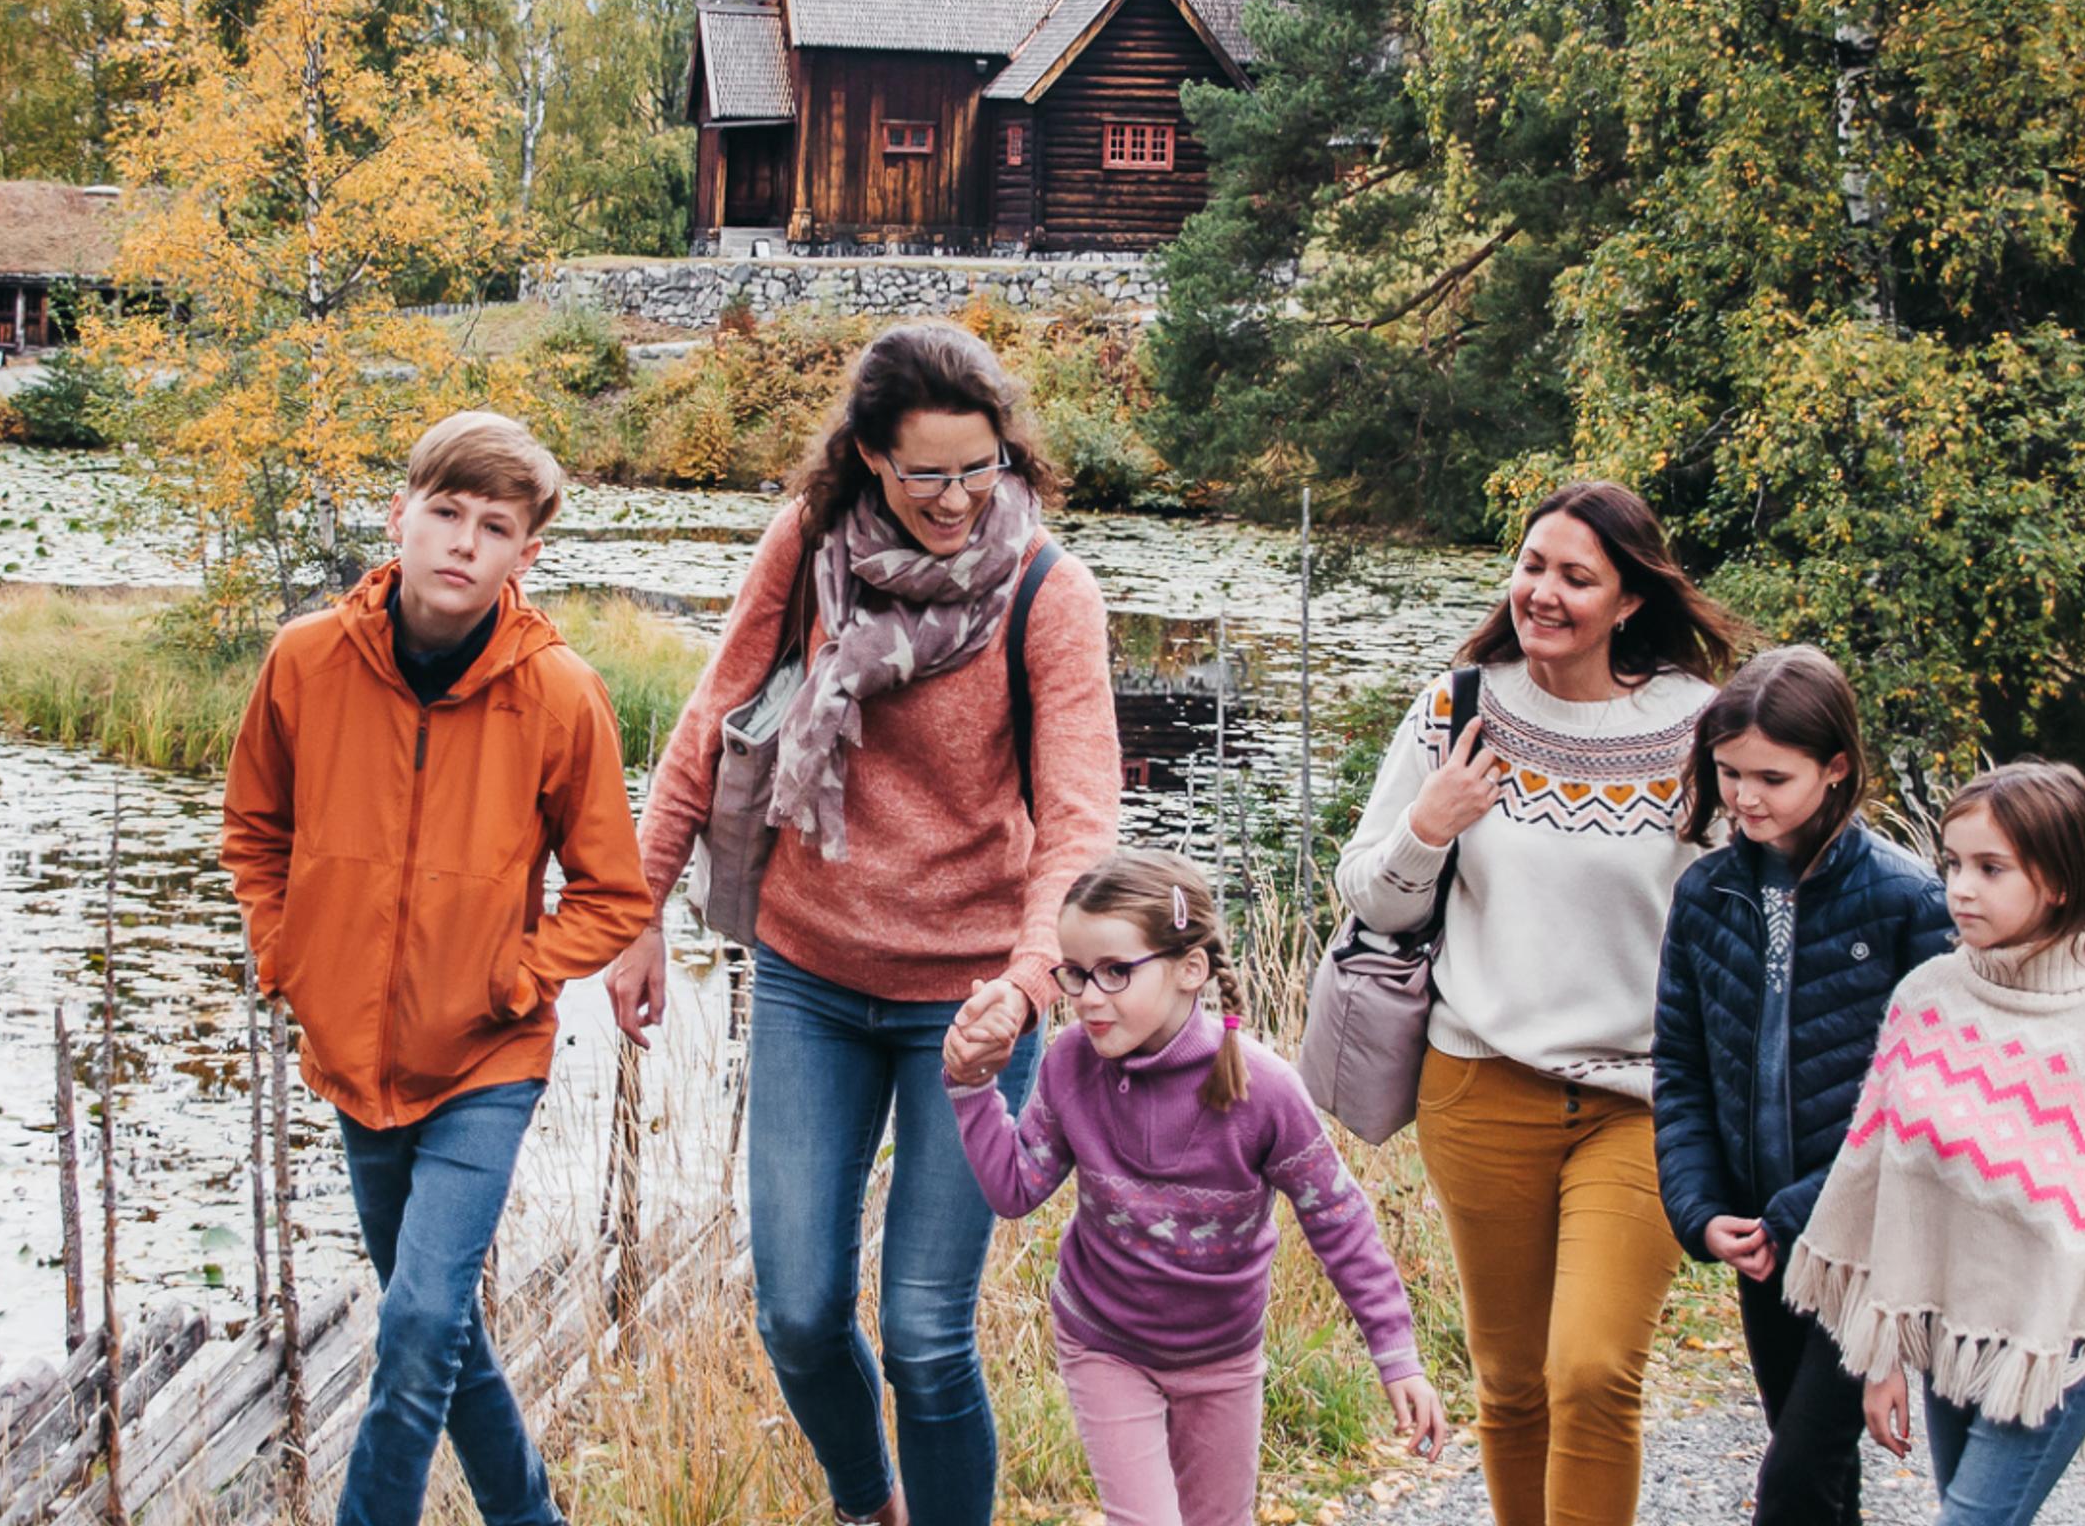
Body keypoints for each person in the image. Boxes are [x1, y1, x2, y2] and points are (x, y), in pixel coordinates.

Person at [618, 323, 1124, 1526]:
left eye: (978, 469)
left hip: (973, 1000)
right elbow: (711, 719)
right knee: (797, 1314)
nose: (954, 499)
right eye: (924, 473)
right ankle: (868, 1505)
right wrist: (636, 912)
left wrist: (1030, 982)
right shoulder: (809, 547)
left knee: (925, 1337)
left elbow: (1080, 818)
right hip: (811, 974)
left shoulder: (1047, 593)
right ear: (868, 460)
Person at [219, 411, 658, 1526]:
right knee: (439, 1330)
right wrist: (288, 956)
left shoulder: (559, 694)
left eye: (494, 527)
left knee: (418, 1321)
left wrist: (518, 977)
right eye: (447, 512)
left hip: (485, 1059)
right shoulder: (306, 661)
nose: (464, 542)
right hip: (354, 1056)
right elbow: (254, 832)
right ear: (399, 517)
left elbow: (612, 894)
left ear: (526, 553)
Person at [1331, 480, 1747, 1526]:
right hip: (1481, 1086)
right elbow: (1368, 892)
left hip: (1642, 1100)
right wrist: (1429, 826)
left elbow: (1752, 899)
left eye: (1575, 577)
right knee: (1512, 1384)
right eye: (1531, 565)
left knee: (1593, 1371)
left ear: (1630, 602)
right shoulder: (1458, 710)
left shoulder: (1697, 727)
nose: (1542, 592)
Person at [940, 849, 1448, 1526]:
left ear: (1190, 969)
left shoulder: (1265, 1091)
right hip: (1104, 1343)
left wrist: (1397, 1356)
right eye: (1076, 973)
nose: (1088, 996)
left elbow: (1340, 1222)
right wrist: (972, 1088)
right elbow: (1015, 1190)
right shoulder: (1070, 1066)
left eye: (1116, 971)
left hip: (1223, 1360)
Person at [1785, 760, 2085, 1526]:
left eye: (1990, 868)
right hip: (1955, 1325)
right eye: (1952, 864)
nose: (1961, 888)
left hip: (2059, 1338)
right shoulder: (1927, 998)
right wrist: (1881, 1357)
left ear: (2059, 881)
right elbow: (1879, 1187)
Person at [1649, 646, 1959, 1526]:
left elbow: (1925, 1104)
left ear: (1837, 769)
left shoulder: (1908, 902)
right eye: (1729, 773)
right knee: (1818, 1481)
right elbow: (1680, 1068)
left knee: (1791, 1482)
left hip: (1868, 1246)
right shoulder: (1706, 895)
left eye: (1771, 778)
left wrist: (1801, 1210)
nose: (1745, 797)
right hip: (1762, 1240)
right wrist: (1702, 1209)